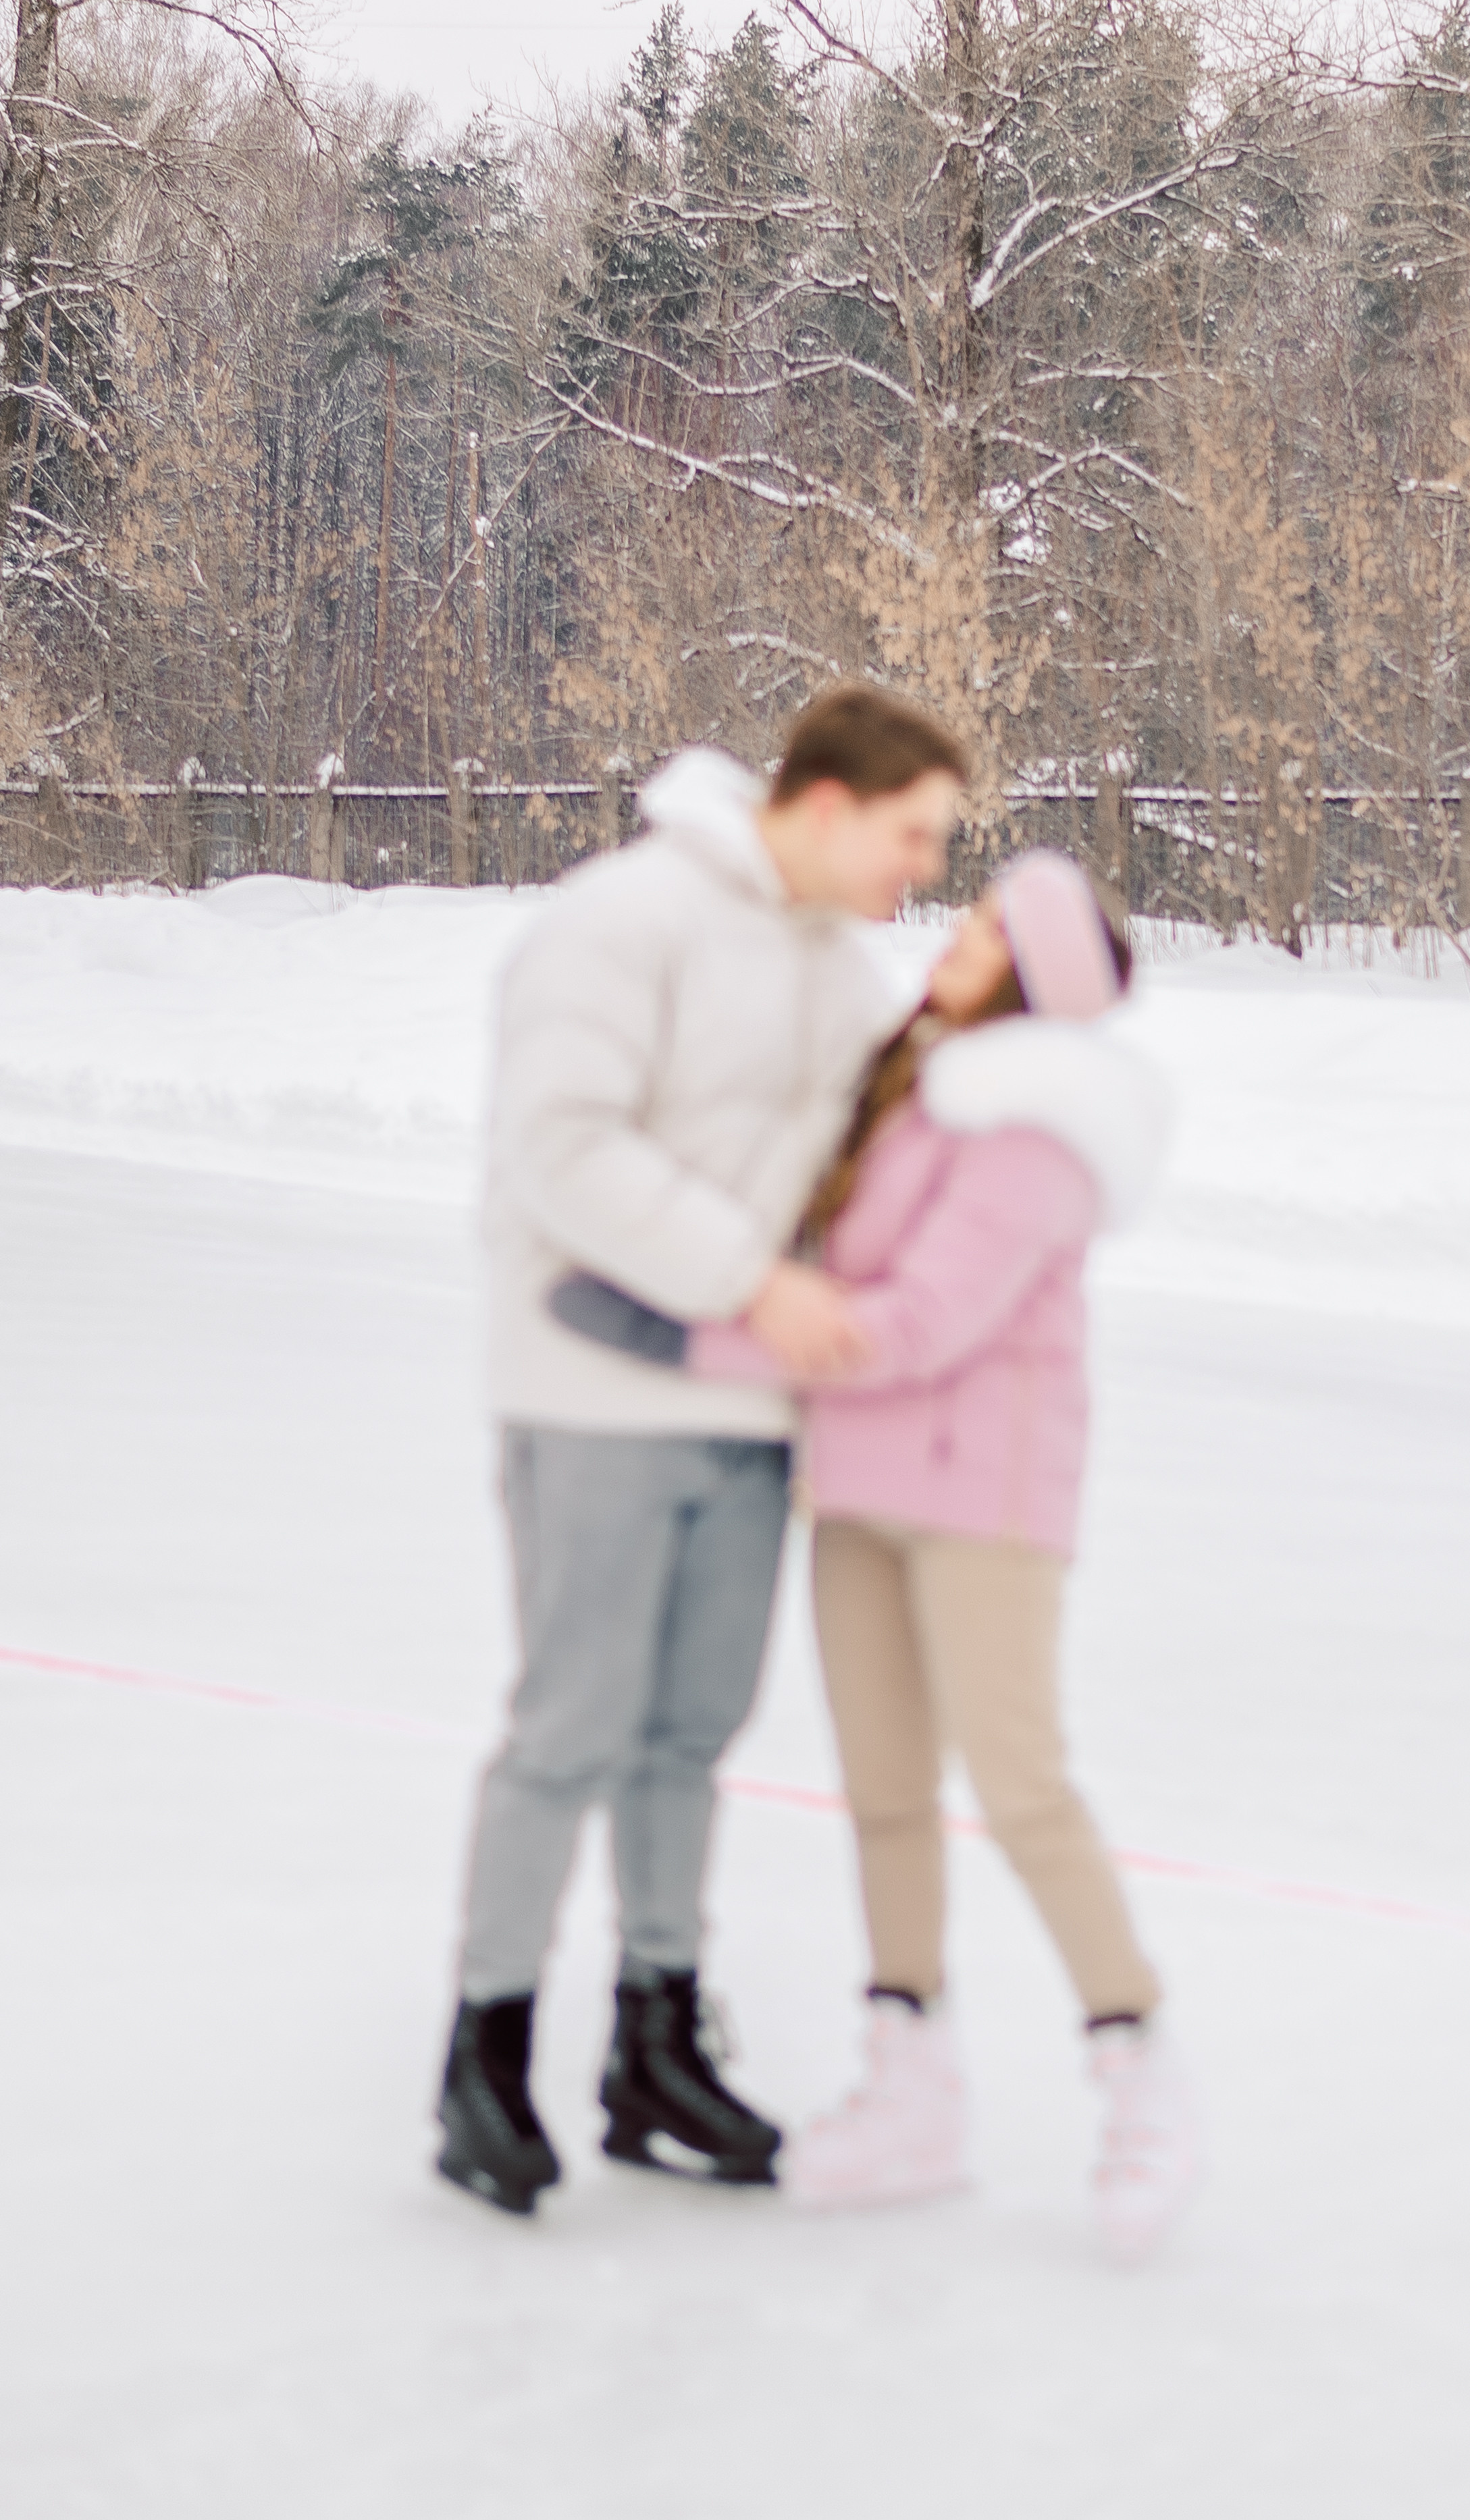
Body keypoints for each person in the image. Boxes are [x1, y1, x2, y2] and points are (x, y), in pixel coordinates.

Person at [558, 852, 1197, 2260]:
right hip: (858, 1483)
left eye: (985, 929)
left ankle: (1138, 2067)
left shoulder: (1035, 1134)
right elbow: (824, 1268)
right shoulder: (914, 1090)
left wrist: (684, 1337)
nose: (951, 937)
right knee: (886, 1792)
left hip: (984, 1496)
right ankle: (913, 2083)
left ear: (1032, 974)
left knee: (1021, 1783)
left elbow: (907, 1322)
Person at [437, 686, 967, 2216]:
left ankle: (653, 2040)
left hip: (749, 1410)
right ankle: (485, 2047)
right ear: (822, 804)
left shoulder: (842, 967)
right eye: (912, 832)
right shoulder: (624, 919)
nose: (922, 868)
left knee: (690, 1733)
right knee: (574, 1724)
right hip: (597, 1392)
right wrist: (754, 1281)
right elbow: (567, 1143)